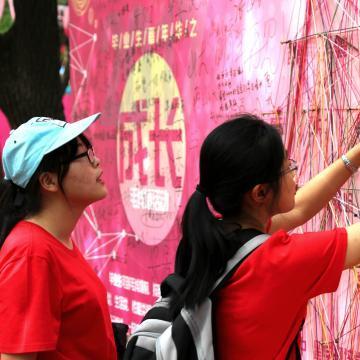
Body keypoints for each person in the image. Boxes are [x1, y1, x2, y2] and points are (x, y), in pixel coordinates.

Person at [171, 113, 360, 359]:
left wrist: (354, 156)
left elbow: (301, 208)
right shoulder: (277, 262)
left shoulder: (216, 236)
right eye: (287, 169)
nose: (295, 176)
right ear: (260, 193)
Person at [0, 114, 117, 360]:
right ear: (48, 180)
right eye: (84, 156)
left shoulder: (52, 241)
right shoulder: (32, 253)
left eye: (92, 151)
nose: (96, 162)